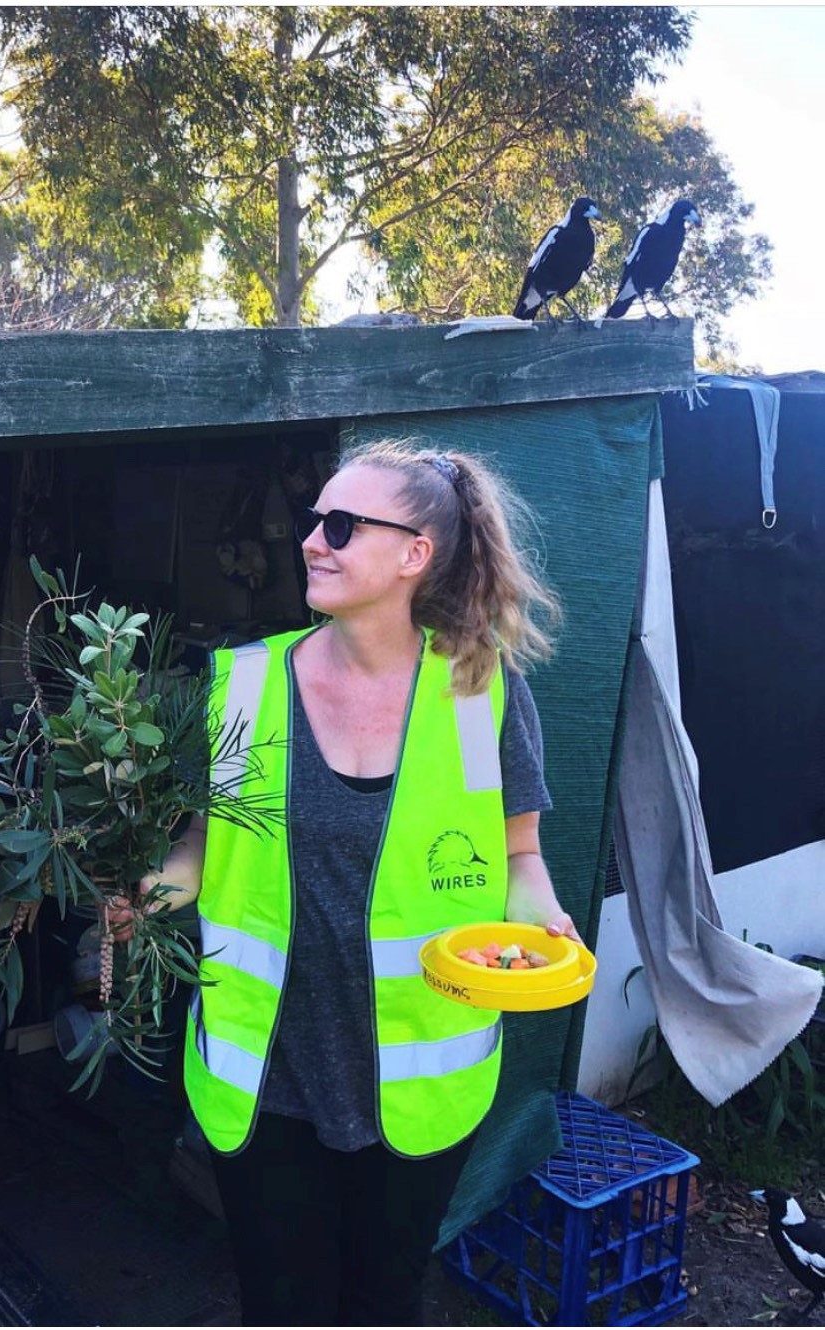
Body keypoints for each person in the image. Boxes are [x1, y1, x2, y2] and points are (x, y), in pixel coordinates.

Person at [113, 438, 579, 1327]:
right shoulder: (243, 688)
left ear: (415, 556)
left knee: (382, 1301)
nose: (310, 542)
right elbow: (204, 849)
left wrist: (541, 922)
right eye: (312, 522)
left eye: (340, 525)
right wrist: (145, 895)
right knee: (279, 1305)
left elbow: (520, 856)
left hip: (419, 1071)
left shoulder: (483, 692)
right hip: (267, 1072)